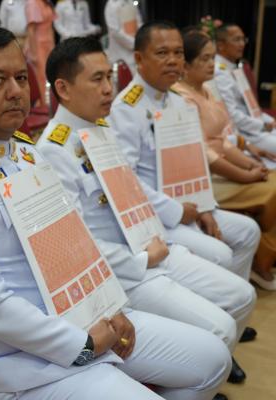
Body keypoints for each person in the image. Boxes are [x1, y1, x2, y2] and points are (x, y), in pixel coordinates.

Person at [0, 24, 232, 400]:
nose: (15, 91)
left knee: (213, 358)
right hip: (18, 360)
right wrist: (83, 344)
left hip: (82, 316)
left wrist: (108, 305)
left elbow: (75, 244)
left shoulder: (25, 152)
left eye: (20, 78)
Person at [37, 35, 257, 391]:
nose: (108, 88)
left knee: (241, 297)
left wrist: (158, 238)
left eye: (109, 77)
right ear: (63, 89)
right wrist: (142, 259)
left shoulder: (99, 128)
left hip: (147, 247)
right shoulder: (54, 150)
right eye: (97, 79)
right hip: (121, 273)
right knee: (221, 331)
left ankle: (193, 382)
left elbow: (132, 193)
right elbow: (76, 247)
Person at [109, 21, 260, 285]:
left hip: (188, 204)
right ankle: (222, 297)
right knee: (220, 254)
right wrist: (177, 210)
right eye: (162, 53)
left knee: (249, 231)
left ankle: (227, 296)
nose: (172, 60)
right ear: (139, 59)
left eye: (178, 53)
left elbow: (194, 162)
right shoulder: (126, 108)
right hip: (157, 214)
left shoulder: (178, 101)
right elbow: (127, 181)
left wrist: (203, 207)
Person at [173, 31, 276, 291]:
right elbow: (205, 154)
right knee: (271, 190)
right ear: (186, 66)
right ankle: (261, 262)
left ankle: (263, 257)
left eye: (212, 57)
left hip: (223, 165)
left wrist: (249, 164)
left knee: (271, 180)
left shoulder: (206, 91)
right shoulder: (182, 97)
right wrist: (244, 175)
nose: (212, 64)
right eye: (205, 59)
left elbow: (224, 141)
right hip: (206, 176)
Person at [214, 23, 276, 153]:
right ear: (220, 45)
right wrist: (263, 126)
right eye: (236, 39)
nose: (242, 44)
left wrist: (269, 121)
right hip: (244, 133)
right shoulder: (219, 71)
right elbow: (231, 114)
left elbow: (251, 107)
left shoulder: (234, 67)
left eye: (243, 39)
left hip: (255, 126)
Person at [25, 0, 56, 102]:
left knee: (51, 74)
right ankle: (43, 104)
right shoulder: (32, 3)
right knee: (41, 76)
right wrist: (33, 54)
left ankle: (52, 103)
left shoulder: (46, 2)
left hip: (48, 43)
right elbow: (31, 30)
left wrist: (53, 46)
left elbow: (50, 27)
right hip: (38, 45)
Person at [104, 0, 143, 69]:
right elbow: (115, 31)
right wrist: (134, 43)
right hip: (120, 55)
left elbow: (139, 21)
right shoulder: (112, 4)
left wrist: (140, 39)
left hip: (136, 51)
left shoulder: (131, 2)